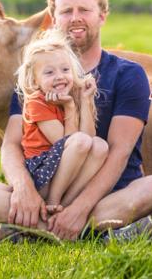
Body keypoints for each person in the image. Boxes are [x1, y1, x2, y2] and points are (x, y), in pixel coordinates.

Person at [0, 0, 152, 241]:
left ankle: (37, 227)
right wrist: (23, 189)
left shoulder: (127, 74)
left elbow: (120, 152)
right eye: (66, 11)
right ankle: (96, 231)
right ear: (53, 17)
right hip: (44, 189)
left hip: (108, 194)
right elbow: (11, 143)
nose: (75, 18)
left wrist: (80, 208)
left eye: (84, 10)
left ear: (102, 15)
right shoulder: (32, 74)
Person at [14, 30, 107, 228]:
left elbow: (88, 138)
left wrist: (85, 99)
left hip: (64, 171)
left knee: (100, 146)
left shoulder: (72, 95)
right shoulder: (36, 102)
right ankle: (52, 201)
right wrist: (70, 108)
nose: (59, 77)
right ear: (34, 80)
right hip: (41, 171)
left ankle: (64, 204)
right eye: (49, 72)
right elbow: (67, 142)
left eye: (65, 70)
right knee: (81, 142)